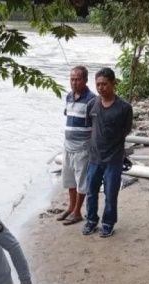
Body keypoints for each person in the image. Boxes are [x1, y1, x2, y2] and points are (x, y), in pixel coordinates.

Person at [82, 68, 133, 237]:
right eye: (98, 84)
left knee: (111, 194)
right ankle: (91, 220)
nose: (101, 88)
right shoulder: (92, 104)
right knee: (91, 193)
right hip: (94, 158)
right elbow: (89, 127)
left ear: (113, 84)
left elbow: (126, 130)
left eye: (104, 84)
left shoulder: (124, 108)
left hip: (114, 159)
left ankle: (108, 223)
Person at [57, 66, 97, 226]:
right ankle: (71, 207)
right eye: (72, 79)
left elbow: (95, 125)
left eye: (77, 79)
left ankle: (77, 212)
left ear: (85, 80)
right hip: (68, 146)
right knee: (69, 180)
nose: (74, 82)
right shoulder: (69, 97)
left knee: (82, 181)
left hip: (82, 148)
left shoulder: (92, 100)